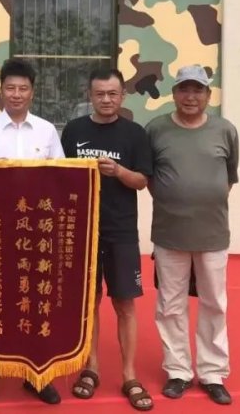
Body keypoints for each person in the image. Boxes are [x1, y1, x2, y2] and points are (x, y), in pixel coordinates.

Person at [0, 58, 65, 406]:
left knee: (36, 300)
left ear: (32, 92)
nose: (17, 94)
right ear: (1, 91)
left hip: (37, 231)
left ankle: (36, 375)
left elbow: (61, 176)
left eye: (23, 88)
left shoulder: (47, 131)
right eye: (11, 88)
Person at [60, 68, 154, 411]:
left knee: (125, 304)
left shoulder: (134, 133)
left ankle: (129, 374)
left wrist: (119, 171)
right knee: (88, 303)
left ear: (123, 96)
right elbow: (59, 176)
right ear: (90, 95)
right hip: (82, 230)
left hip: (121, 231)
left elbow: (142, 181)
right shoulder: (74, 131)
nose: (106, 99)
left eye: (112, 93)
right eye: (100, 93)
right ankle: (91, 367)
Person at [146, 65, 239, 407]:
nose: (190, 96)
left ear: (208, 95)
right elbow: (149, 178)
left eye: (197, 90)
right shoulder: (156, 130)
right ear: (174, 93)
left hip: (213, 233)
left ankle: (213, 373)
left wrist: (203, 199)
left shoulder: (225, 130)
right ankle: (178, 370)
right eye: (184, 89)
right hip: (169, 233)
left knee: (214, 303)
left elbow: (229, 178)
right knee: (170, 305)